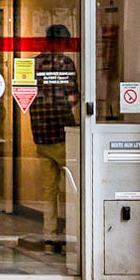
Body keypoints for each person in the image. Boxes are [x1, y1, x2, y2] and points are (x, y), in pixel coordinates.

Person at [29, 24, 81, 251]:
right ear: (62, 42)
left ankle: (50, 236)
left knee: (49, 188)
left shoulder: (33, 64)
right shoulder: (65, 64)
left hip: (40, 134)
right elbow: (73, 97)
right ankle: (72, 234)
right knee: (72, 186)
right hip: (61, 132)